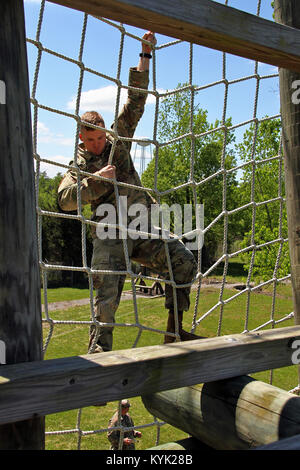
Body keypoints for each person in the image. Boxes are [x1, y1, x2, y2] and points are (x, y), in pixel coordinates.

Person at [58, 30, 201, 353]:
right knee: (107, 293)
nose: (97, 144)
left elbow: (135, 102)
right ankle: (100, 348)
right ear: (81, 137)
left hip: (142, 227)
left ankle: (174, 330)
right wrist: (96, 182)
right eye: (90, 140)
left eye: (100, 138)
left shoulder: (117, 144)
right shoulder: (78, 165)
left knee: (183, 262)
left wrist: (145, 54)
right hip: (111, 234)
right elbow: (64, 200)